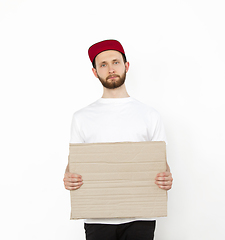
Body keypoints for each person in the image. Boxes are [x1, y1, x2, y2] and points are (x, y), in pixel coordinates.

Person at [63, 39, 173, 240]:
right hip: (98, 218)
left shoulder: (149, 115)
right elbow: (75, 165)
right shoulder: (81, 117)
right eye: (103, 65)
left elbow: (161, 165)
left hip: (141, 216)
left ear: (126, 66)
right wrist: (68, 177)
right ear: (95, 72)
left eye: (116, 62)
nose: (110, 69)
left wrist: (166, 177)